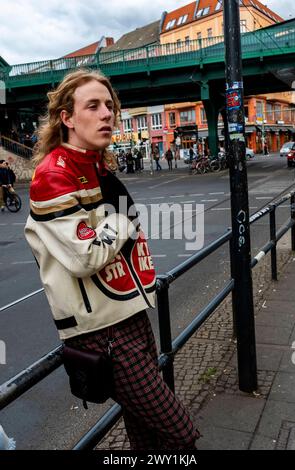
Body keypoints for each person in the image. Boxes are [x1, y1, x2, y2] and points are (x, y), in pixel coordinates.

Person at [24, 69, 200, 450]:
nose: (107, 113)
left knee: (145, 432)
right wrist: (121, 220)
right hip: (101, 332)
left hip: (130, 314)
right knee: (179, 433)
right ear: (67, 118)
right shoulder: (53, 175)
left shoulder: (98, 166)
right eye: (93, 106)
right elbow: (85, 256)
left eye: (109, 105)